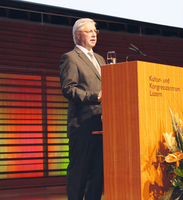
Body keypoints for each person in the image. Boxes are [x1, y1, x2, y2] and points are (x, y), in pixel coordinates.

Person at [59, 18, 106, 200]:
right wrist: (95, 97)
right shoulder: (70, 58)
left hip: (101, 125)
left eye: (95, 31)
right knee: (79, 175)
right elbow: (68, 89)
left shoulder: (100, 59)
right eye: (89, 31)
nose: (94, 34)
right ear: (78, 35)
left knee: (96, 176)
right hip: (83, 127)